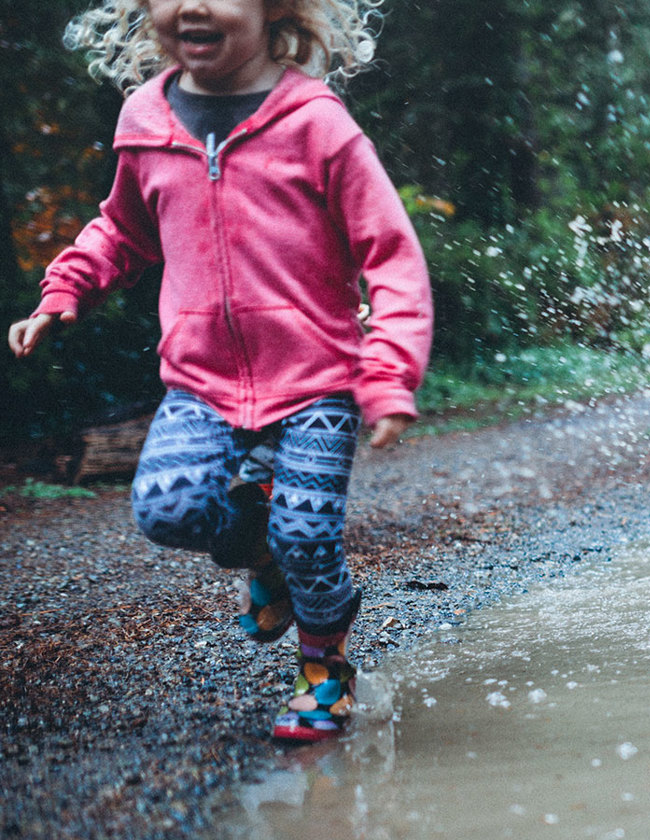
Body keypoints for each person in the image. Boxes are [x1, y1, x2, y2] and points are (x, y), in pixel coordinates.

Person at [8, 0, 433, 741]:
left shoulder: (316, 123)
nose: (193, 5)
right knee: (167, 511)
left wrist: (389, 374)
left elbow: (388, 252)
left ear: (275, 9)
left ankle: (324, 669)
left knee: (309, 533)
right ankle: (266, 555)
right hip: (200, 382)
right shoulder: (147, 118)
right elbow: (123, 226)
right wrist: (67, 286)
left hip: (316, 378)